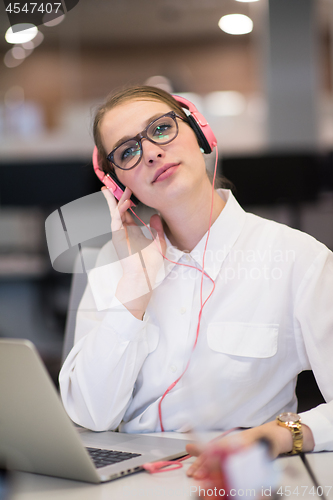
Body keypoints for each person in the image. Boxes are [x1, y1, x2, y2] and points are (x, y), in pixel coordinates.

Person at [59, 85, 333, 474]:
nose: (151, 152)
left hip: (237, 481)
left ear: (200, 132)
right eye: (127, 151)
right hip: (129, 482)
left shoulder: (298, 259)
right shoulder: (114, 263)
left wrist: (280, 434)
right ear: (118, 184)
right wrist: (133, 297)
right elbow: (90, 414)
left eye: (161, 129)